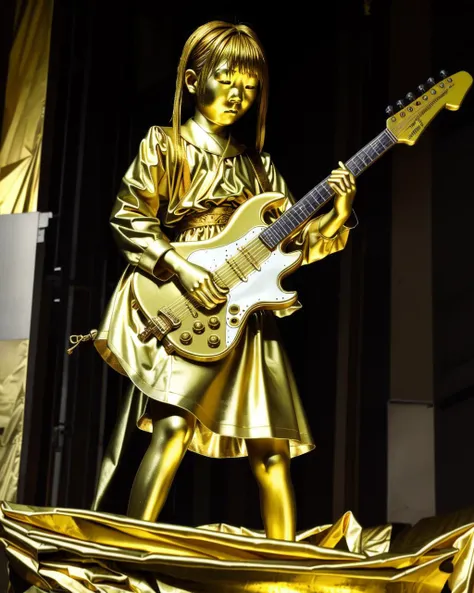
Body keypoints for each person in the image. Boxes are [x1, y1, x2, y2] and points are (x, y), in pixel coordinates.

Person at [93, 20, 357, 541]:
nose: (240, 94)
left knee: (272, 450)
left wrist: (337, 214)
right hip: (188, 302)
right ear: (192, 81)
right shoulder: (164, 146)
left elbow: (293, 252)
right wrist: (185, 270)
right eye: (227, 78)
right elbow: (129, 218)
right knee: (170, 429)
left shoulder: (261, 170)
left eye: (251, 86)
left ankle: (282, 568)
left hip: (246, 319)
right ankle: (130, 555)